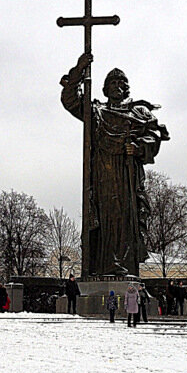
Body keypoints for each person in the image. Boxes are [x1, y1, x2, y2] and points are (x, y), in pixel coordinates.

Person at [61, 53, 170, 277]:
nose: (117, 87)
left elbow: (153, 138)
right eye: (112, 83)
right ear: (105, 88)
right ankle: (102, 267)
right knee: (102, 221)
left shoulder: (137, 113)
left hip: (126, 176)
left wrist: (139, 148)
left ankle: (121, 266)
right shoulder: (97, 112)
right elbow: (70, 100)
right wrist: (78, 71)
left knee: (124, 221)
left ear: (127, 88)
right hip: (101, 176)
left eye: (121, 83)